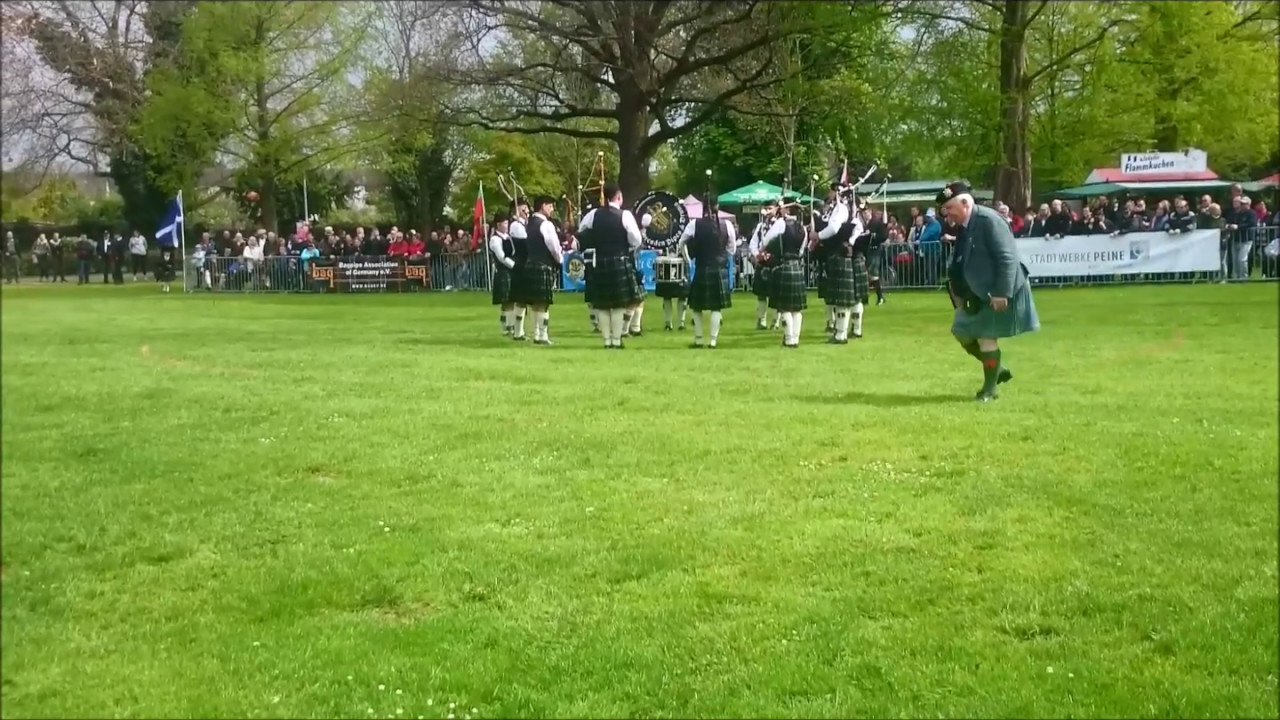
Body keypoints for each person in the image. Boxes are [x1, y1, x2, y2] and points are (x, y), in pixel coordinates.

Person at [938, 182, 1039, 402]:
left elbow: (1007, 257)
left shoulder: (989, 220)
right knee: (961, 331)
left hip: (997, 289)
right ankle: (998, 369)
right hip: (977, 291)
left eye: (949, 208)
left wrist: (1002, 292)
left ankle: (990, 390)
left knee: (986, 337)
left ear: (965, 203)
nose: (947, 214)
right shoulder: (965, 224)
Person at [578, 183, 644, 349]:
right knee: (618, 304)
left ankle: (607, 340)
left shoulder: (593, 214)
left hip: (599, 261)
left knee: (602, 304)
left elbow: (582, 231)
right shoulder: (625, 215)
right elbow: (637, 240)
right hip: (619, 261)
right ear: (619, 196)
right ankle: (616, 340)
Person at [677, 197, 736, 348]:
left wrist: (688, 258)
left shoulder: (694, 224)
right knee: (716, 307)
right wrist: (722, 255)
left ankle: (698, 340)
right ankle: (713, 341)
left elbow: (681, 242)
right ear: (717, 206)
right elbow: (732, 249)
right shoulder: (727, 225)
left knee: (697, 306)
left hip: (702, 267)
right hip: (719, 268)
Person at [810, 184, 863, 344]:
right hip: (839, 254)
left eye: (833, 190)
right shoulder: (845, 209)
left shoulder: (841, 208)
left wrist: (817, 235)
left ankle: (841, 334)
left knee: (842, 299)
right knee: (844, 298)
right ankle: (843, 332)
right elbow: (857, 228)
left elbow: (833, 228)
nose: (830, 193)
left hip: (838, 254)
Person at [512, 195, 563, 345]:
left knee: (534, 303)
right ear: (543, 206)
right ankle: (542, 336)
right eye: (551, 206)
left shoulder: (529, 223)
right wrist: (560, 260)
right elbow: (554, 246)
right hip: (542, 264)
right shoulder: (546, 225)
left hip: (530, 263)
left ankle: (536, 334)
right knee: (543, 303)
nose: (552, 209)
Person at [761, 205, 808, 348]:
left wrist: (765, 251)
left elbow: (766, 241)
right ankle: (795, 338)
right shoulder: (802, 228)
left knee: (785, 308)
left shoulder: (781, 223)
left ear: (787, 211)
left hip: (783, 266)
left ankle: (788, 339)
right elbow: (801, 250)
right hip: (797, 266)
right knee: (796, 308)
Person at [747, 208, 781, 330]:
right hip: (762, 262)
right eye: (766, 208)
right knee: (761, 294)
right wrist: (757, 254)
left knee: (778, 294)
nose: (767, 211)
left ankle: (776, 321)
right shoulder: (761, 226)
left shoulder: (781, 223)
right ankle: (762, 320)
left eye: (770, 208)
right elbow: (753, 242)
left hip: (776, 261)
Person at [488, 213, 518, 336]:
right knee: (506, 301)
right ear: (498, 225)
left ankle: (511, 325)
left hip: (511, 271)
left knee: (512, 299)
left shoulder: (508, 237)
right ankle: (506, 326)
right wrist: (514, 266)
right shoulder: (495, 239)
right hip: (503, 270)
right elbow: (501, 257)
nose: (507, 225)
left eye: (507, 223)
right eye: (505, 223)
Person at [506, 196, 532, 340]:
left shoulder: (523, 224)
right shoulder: (516, 226)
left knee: (523, 299)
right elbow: (525, 243)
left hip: (524, 263)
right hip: (520, 263)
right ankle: (518, 332)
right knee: (520, 298)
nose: (527, 211)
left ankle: (519, 331)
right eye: (524, 208)